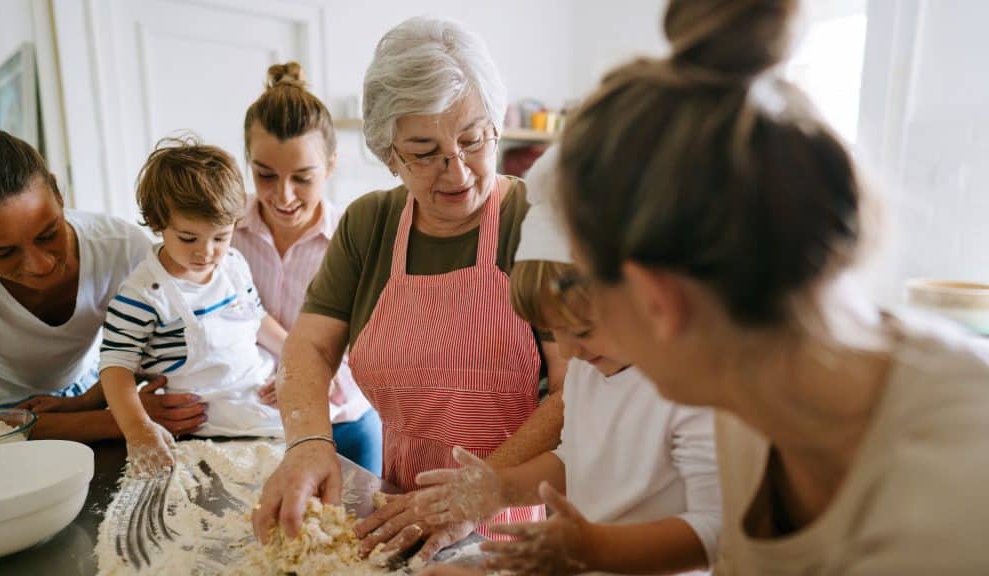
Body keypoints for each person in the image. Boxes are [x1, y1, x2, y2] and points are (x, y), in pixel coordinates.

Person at [552, 0, 989, 573]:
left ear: (658, 300)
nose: (579, 333)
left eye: (584, 283)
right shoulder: (748, 396)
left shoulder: (960, 496)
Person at [252, 16, 568, 565]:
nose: (458, 172)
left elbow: (575, 392)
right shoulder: (369, 224)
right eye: (424, 152)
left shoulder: (533, 222)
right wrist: (307, 442)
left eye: (473, 140)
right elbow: (310, 346)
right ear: (387, 152)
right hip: (401, 497)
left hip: (518, 507)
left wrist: (472, 494)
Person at [414, 147, 722, 576]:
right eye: (552, 330)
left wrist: (593, 548)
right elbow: (573, 459)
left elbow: (714, 531)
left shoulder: (694, 389)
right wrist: (501, 489)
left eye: (581, 330)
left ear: (648, 295)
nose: (569, 351)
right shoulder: (589, 368)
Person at [0, 123, 207, 441]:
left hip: (94, 390)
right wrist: (122, 421)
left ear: (57, 191)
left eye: (48, 233)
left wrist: (92, 405)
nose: (42, 265)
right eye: (4, 253)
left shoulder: (121, 246)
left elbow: (153, 344)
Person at [100, 137, 283, 473]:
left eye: (220, 236)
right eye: (188, 238)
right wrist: (139, 430)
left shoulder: (233, 264)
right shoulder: (143, 295)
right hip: (203, 435)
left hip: (262, 413)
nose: (207, 252)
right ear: (157, 223)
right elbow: (115, 367)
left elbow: (257, 319)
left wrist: (295, 362)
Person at [234, 61, 381, 475]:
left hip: (345, 422)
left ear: (331, 166)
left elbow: (371, 342)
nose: (283, 195)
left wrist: (309, 376)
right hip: (251, 424)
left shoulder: (355, 241)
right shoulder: (222, 232)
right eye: (265, 174)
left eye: (302, 177)